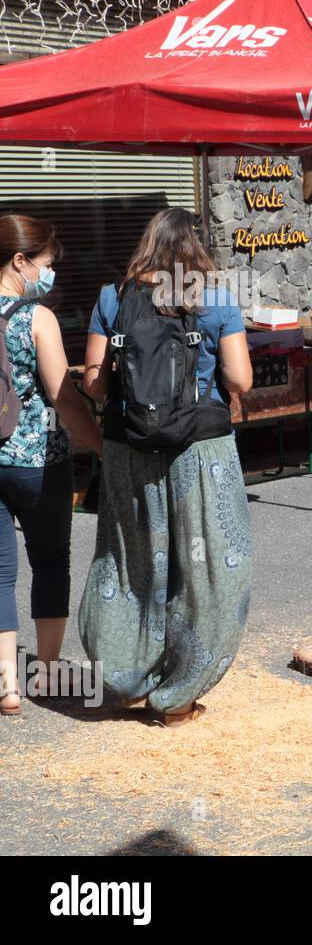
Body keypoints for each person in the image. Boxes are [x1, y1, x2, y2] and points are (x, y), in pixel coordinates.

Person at [80, 208, 254, 726]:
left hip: (129, 450)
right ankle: (178, 694)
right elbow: (241, 379)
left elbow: (93, 382)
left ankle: (128, 678)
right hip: (202, 452)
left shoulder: (114, 296)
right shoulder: (217, 297)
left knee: (132, 563)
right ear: (196, 249)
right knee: (208, 571)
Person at [0, 216, 102, 716]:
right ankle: (42, 672)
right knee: (49, 561)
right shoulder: (36, 317)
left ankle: (6, 686)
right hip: (39, 460)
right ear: (19, 262)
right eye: (45, 264)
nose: (49, 274)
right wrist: (98, 441)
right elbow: (62, 394)